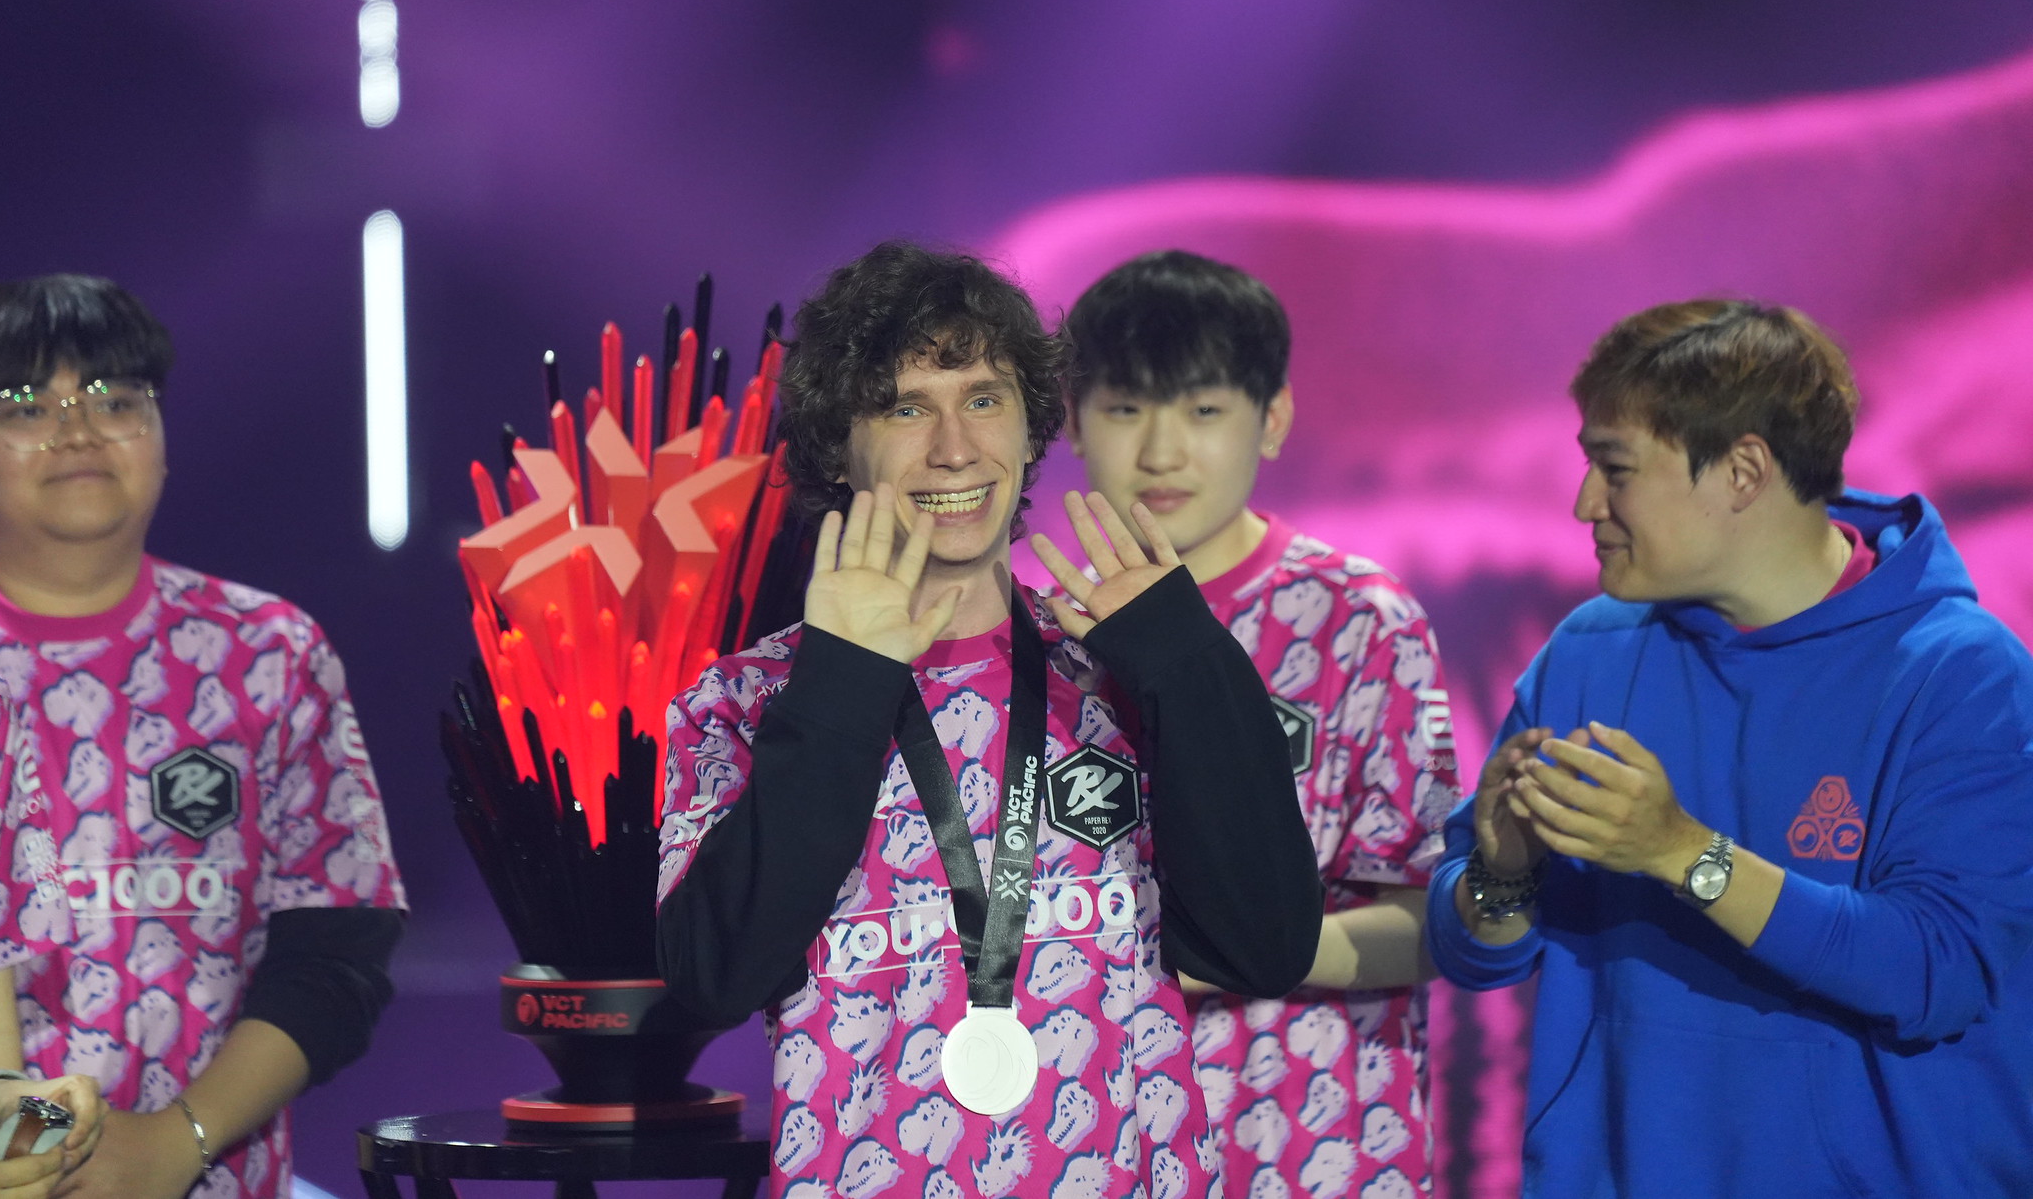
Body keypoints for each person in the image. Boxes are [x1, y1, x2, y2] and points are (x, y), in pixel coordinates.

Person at [654, 241, 1322, 1199]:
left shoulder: (1123, 677)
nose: (956, 447)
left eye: (982, 398)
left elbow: (1266, 945)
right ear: (838, 445)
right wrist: (843, 680)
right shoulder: (742, 704)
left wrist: (1192, 665)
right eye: (905, 406)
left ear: (1031, 424)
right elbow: (713, 976)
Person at [1426, 299, 2033, 1197]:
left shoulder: (1963, 675)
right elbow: (1474, 951)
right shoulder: (1590, 649)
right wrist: (1504, 870)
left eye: (1615, 468)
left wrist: (1681, 852)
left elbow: (1937, 971)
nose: (1583, 501)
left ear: (1744, 469)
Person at [0, 276, 406, 1199]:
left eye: (117, 400)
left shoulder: (268, 652)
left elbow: (336, 957)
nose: (78, 429)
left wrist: (177, 1143)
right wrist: (39, 1149)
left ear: (164, 439)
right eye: (24, 404)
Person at [1064, 250, 1459, 1199]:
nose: (1161, 451)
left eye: (1203, 410)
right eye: (1124, 408)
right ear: (1072, 422)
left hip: (1310, 1134)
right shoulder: (1048, 634)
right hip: (1090, 1130)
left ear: (1271, 419)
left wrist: (1211, 950)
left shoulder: (1359, 619)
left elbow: (1434, 919)